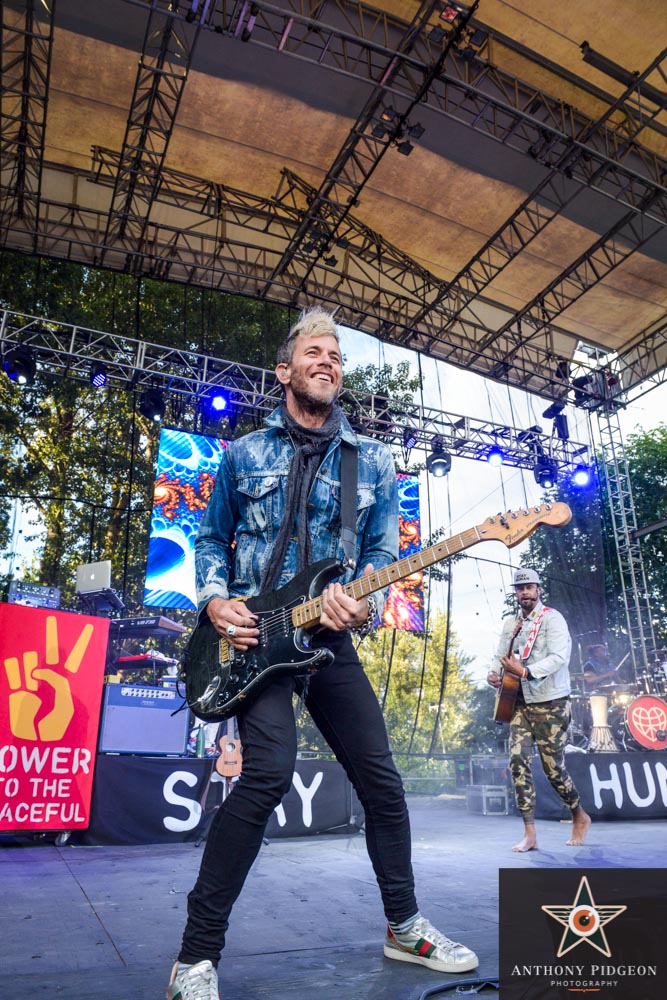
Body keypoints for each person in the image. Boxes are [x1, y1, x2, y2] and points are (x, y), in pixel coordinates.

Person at [167, 307, 478, 1000]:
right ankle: (195, 957)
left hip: (327, 638)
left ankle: (403, 927)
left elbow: (379, 558)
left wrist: (360, 603)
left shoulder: (373, 461)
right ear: (285, 370)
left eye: (335, 355)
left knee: (382, 781)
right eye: (314, 351)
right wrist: (216, 602)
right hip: (251, 641)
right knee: (267, 774)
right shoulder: (243, 453)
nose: (328, 361)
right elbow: (211, 540)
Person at [486, 567, 591, 853]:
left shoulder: (552, 619)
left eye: (529, 587)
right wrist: (493, 674)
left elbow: (559, 657)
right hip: (519, 702)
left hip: (551, 702)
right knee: (517, 762)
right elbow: (500, 657)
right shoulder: (511, 624)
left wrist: (527, 671)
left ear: (538, 589)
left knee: (553, 769)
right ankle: (530, 833)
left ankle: (579, 815)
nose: (524, 593)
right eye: (520, 589)